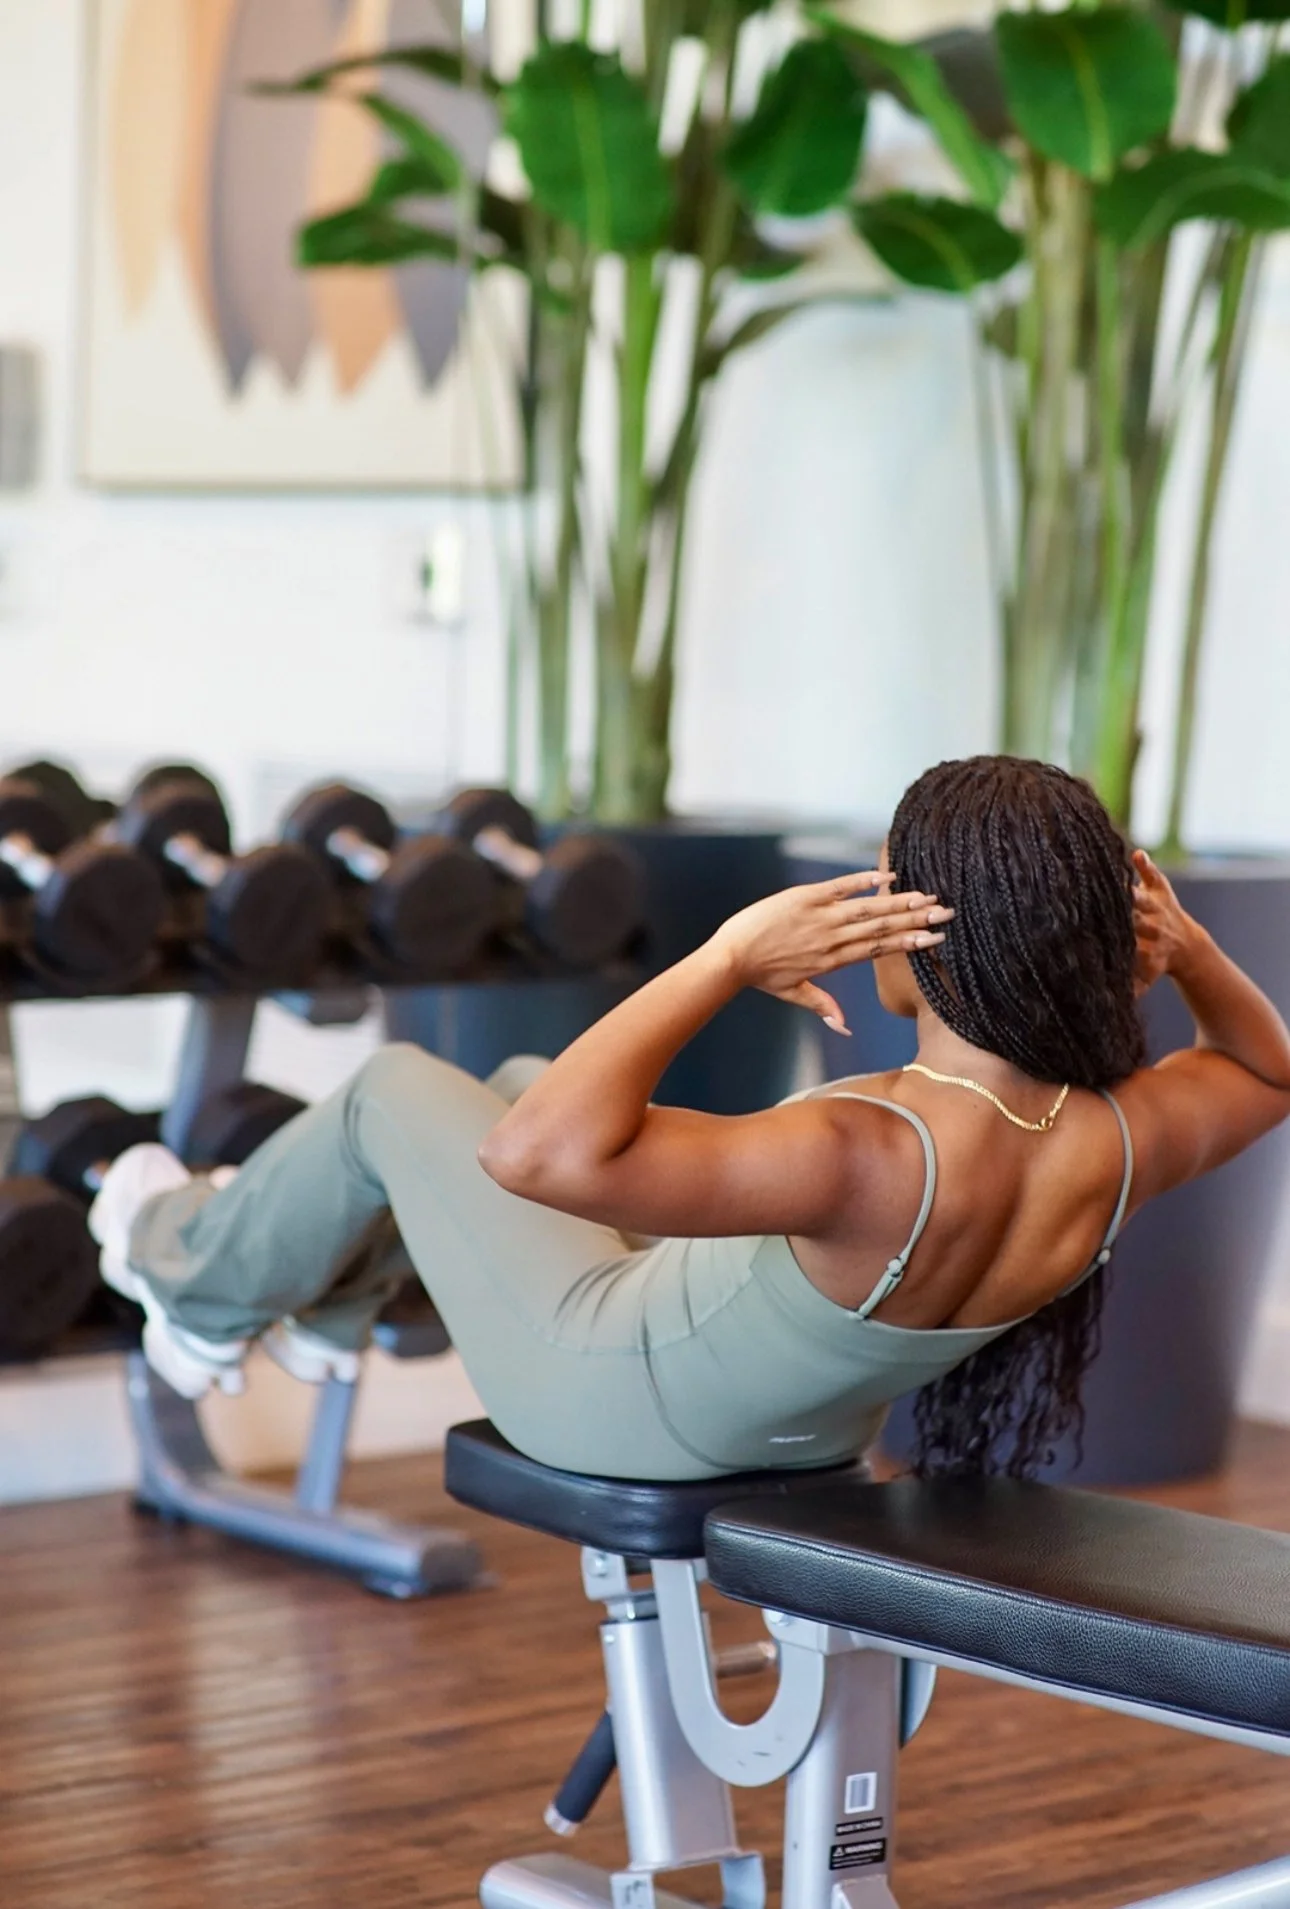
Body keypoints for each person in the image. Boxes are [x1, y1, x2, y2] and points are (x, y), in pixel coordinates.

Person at [90, 757, 1290, 1480]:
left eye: (882, 886)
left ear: (927, 938)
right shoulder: (1105, 1141)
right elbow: (1264, 1070)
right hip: (786, 1434)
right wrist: (1189, 952)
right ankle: (329, 1297)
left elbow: (538, 1159)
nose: (862, 906)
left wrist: (724, 957)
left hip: (615, 1396)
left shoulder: (869, 1145)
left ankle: (187, 1279)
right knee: (515, 1073)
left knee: (395, 1091)